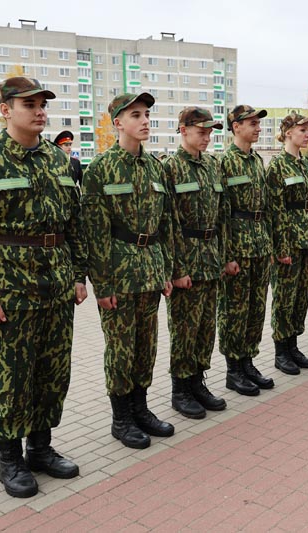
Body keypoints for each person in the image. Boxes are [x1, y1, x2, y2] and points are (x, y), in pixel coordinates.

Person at [0, 77, 88, 498]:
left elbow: (74, 223)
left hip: (57, 284)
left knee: (52, 371)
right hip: (9, 289)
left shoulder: (58, 160)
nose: (40, 110)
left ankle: (40, 448)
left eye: (43, 103)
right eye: (29, 104)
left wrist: (78, 275)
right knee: (13, 376)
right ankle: (9, 459)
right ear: (6, 110)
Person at [82, 92, 176, 449]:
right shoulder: (101, 169)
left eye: (147, 114)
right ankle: (121, 418)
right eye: (136, 115)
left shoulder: (155, 168)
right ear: (118, 122)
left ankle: (141, 408)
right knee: (120, 349)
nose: (145, 120)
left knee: (145, 345)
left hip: (150, 269)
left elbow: (164, 223)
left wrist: (165, 268)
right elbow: (94, 231)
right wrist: (102, 284)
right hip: (118, 273)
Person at [164, 106, 228, 419]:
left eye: (210, 132)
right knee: (184, 328)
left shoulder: (213, 166)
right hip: (187, 258)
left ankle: (198, 381)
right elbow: (169, 223)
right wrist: (177, 270)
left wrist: (224, 256)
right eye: (201, 131)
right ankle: (180, 388)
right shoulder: (171, 167)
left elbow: (222, 216)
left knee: (206, 327)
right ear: (184, 130)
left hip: (211, 256)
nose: (207, 137)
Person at [218, 105, 275, 393]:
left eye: (258, 123)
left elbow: (265, 208)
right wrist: (226, 256)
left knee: (255, 309)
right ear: (235, 126)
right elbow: (222, 213)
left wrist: (270, 245)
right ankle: (233, 369)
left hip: (260, 245)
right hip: (238, 247)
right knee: (234, 311)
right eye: (252, 123)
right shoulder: (224, 162)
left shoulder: (256, 161)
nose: (257, 127)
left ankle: (249, 361)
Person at [266, 111, 308, 374]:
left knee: (301, 297)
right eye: (302, 130)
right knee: (284, 298)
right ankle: (280, 351)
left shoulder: (307, 165)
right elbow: (276, 210)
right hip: (289, 244)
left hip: (307, 242)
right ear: (288, 132)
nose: (307, 134)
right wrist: (282, 247)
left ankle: (293, 345)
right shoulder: (277, 166)